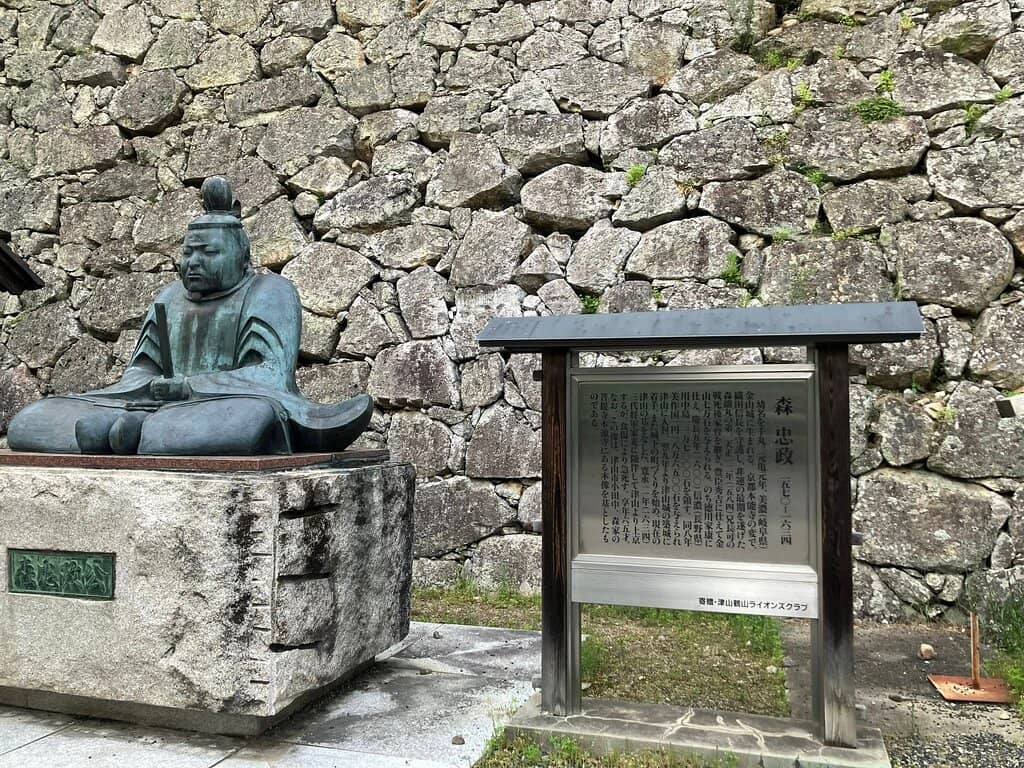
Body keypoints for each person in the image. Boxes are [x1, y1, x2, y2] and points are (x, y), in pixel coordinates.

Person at [8, 177, 372, 455]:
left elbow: (270, 375)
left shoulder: (270, 292)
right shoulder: (169, 296)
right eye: (188, 253)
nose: (193, 262)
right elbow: (143, 367)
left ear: (241, 259)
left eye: (208, 253)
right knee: (33, 419)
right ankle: (143, 433)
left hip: (224, 403)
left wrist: (189, 387)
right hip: (150, 403)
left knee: (250, 419)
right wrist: (147, 385)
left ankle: (134, 434)